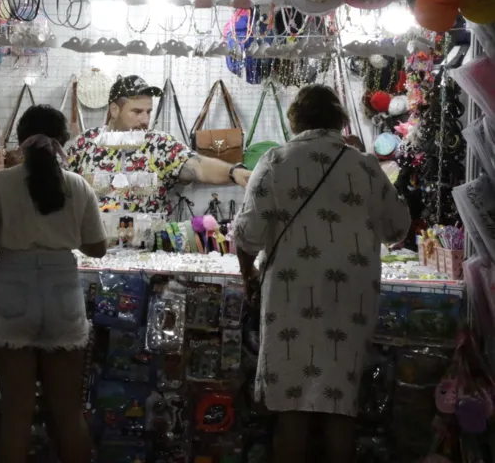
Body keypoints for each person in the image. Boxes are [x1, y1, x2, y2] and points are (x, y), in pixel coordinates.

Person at [233, 85, 410, 463]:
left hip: (290, 300)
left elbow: (247, 236)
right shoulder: (364, 165)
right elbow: (399, 228)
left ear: (293, 120)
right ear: (339, 121)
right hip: (351, 304)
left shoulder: (275, 161)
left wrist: (249, 278)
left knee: (292, 406)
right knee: (339, 405)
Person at [0, 105, 107, 463]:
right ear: (62, 143)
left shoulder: (1, 182)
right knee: (67, 410)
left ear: (20, 142)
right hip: (63, 293)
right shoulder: (78, 186)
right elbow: (97, 248)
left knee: (16, 410)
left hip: (13, 289)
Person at [66, 75, 250, 215]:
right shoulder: (86, 144)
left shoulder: (159, 144)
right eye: (137, 112)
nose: (145, 120)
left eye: (148, 111)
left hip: (148, 256)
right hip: (93, 252)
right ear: (115, 110)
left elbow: (197, 166)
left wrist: (233, 172)